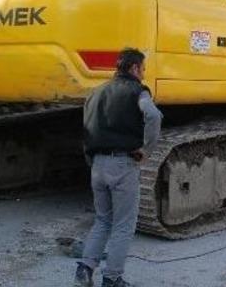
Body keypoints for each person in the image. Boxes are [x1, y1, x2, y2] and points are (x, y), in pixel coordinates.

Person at [75, 48, 162, 287]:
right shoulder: (138, 92)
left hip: (98, 166)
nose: (144, 74)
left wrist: (91, 160)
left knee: (102, 220)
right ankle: (113, 278)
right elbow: (154, 116)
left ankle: (85, 269)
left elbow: (87, 128)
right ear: (134, 68)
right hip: (123, 164)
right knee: (124, 225)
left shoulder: (95, 93)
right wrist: (147, 150)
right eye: (143, 69)